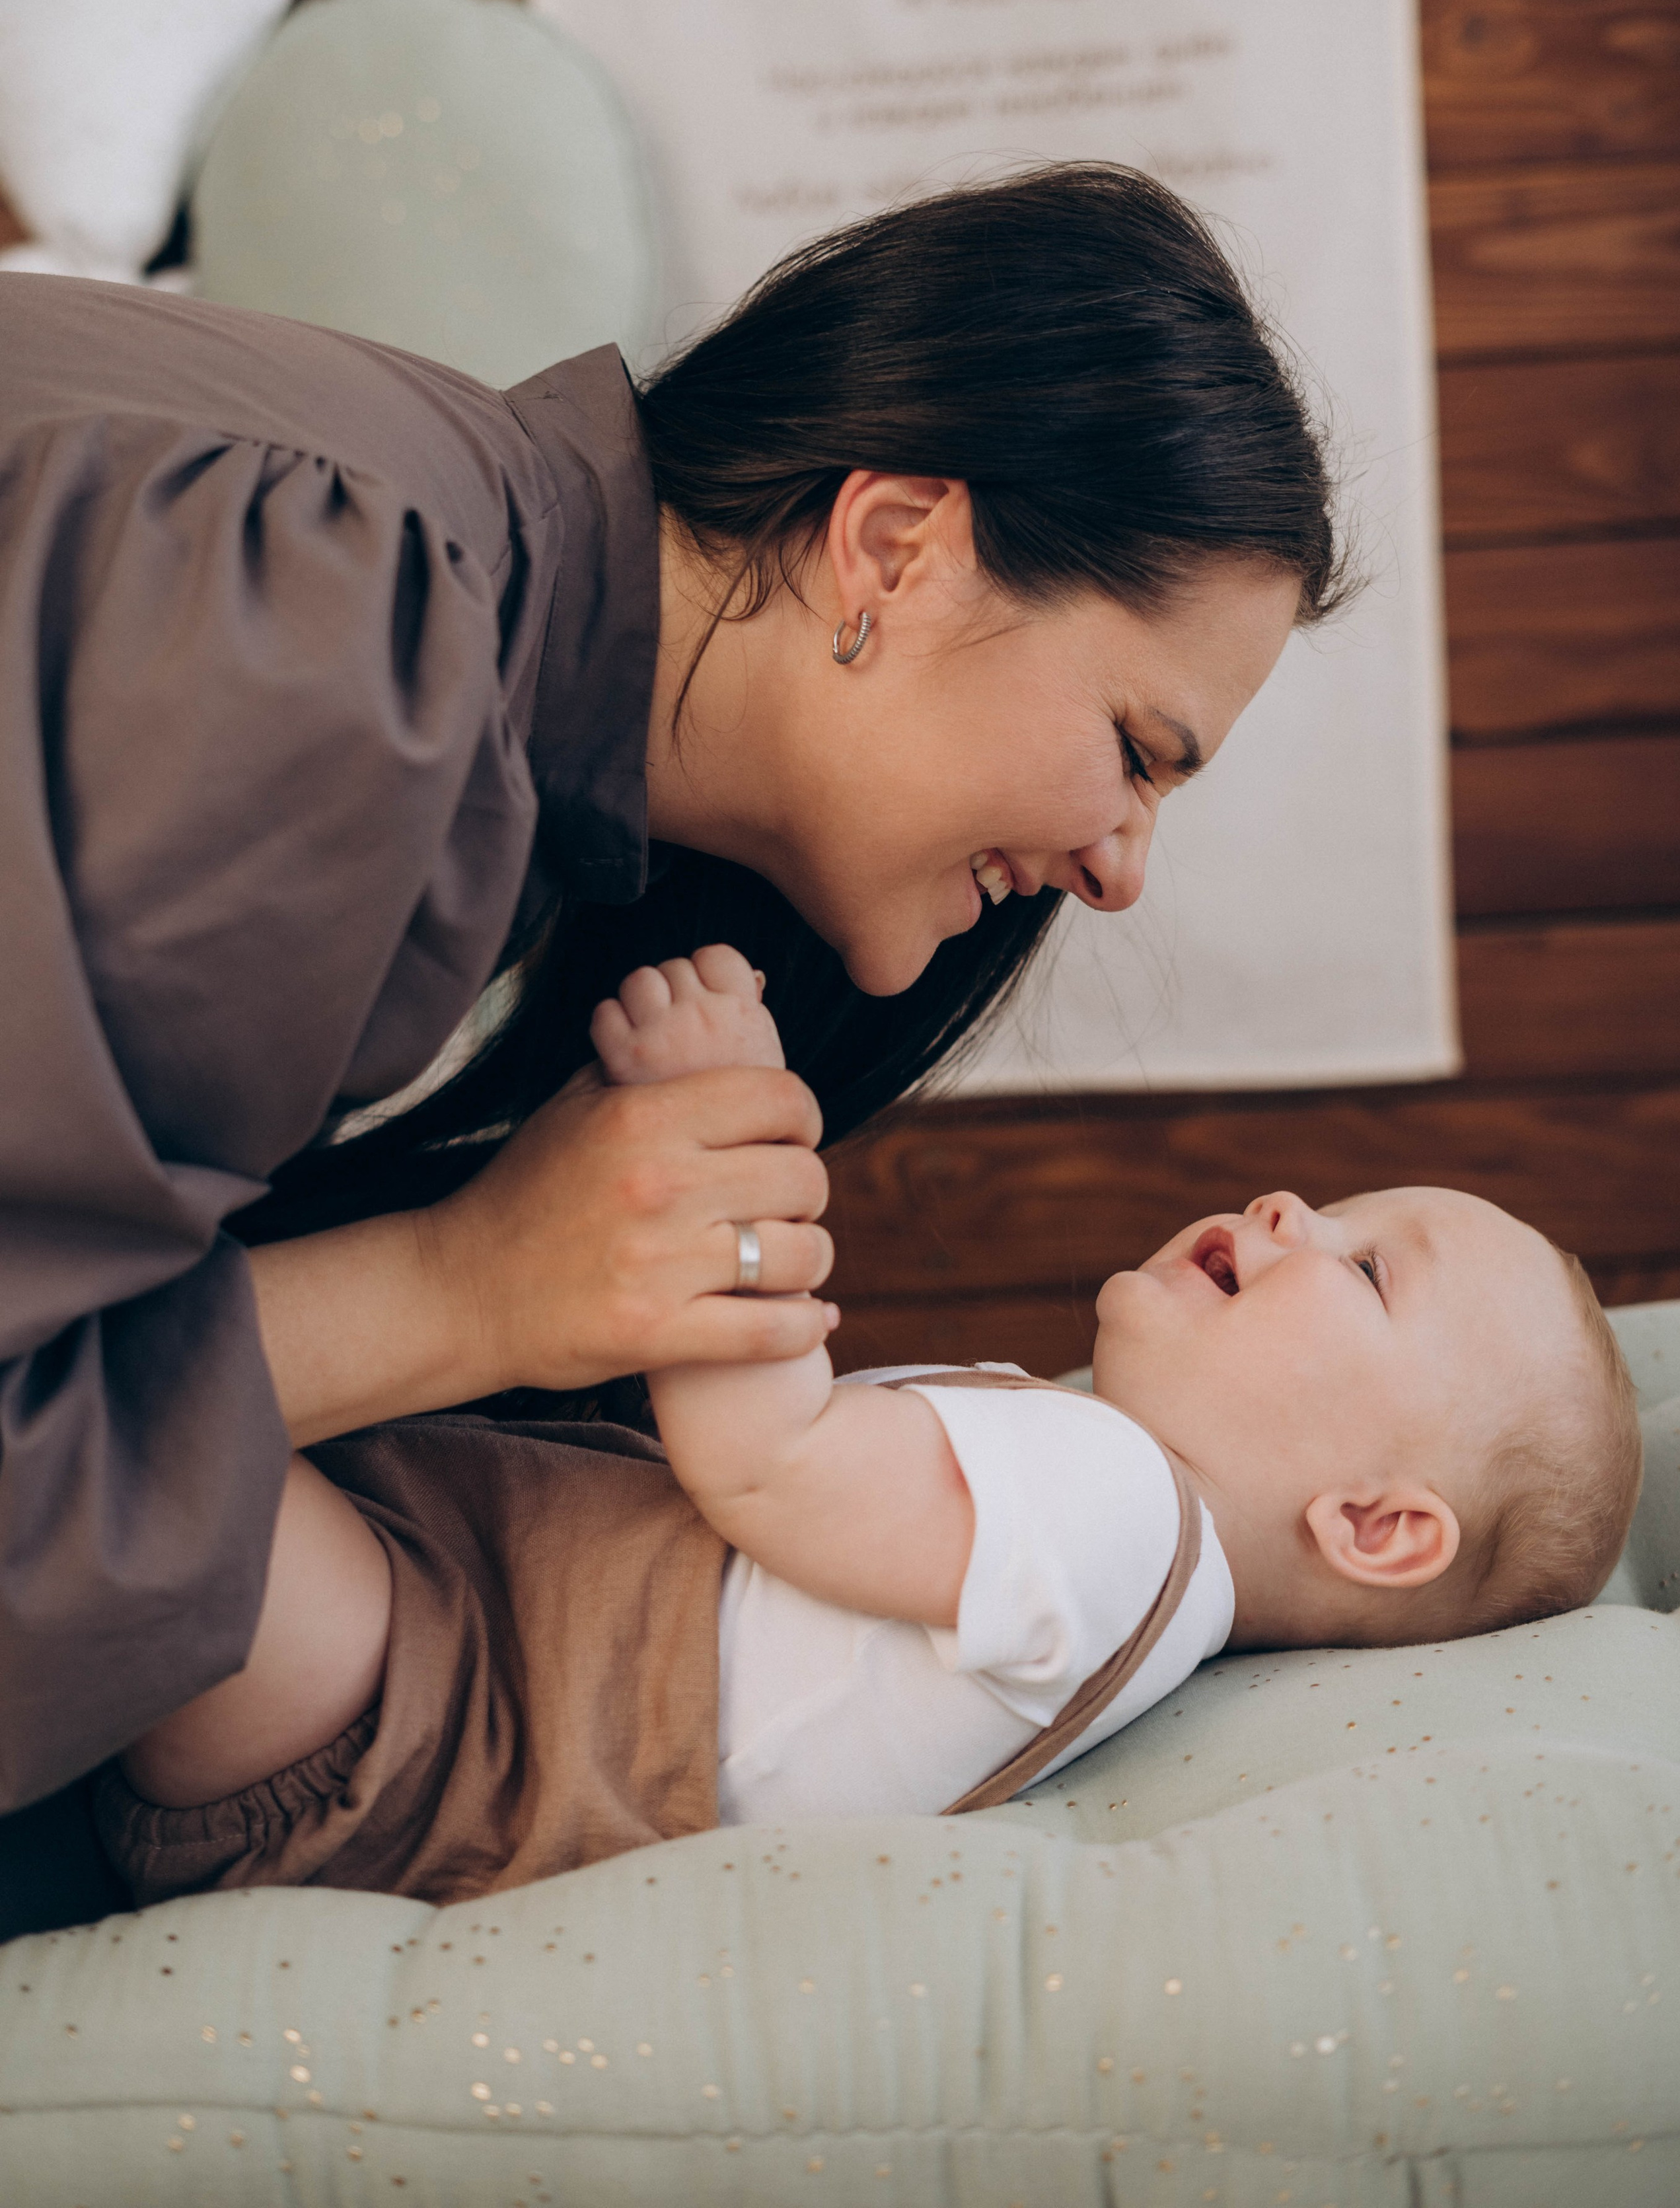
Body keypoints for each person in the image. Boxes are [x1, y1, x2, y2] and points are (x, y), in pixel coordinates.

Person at [0, 163, 1338, 1930]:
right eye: (1139, 748)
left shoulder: (428, 599)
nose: (1119, 870)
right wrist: (465, 1287)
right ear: (895, 549)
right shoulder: (343, 639)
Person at [100, 946, 1642, 1907]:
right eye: (1337, 1204)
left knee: (156, 1449)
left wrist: (727, 1139)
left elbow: (769, 1461)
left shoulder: (1115, 1512)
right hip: (446, 1641)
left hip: (430, 1716)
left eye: (1366, 1266)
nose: (1287, 1204)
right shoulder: (1115, 1537)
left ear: (1374, 1526)